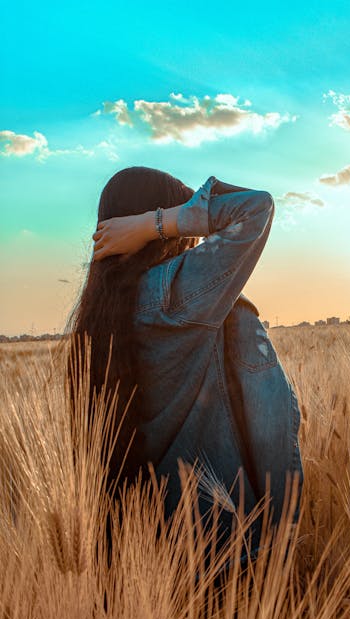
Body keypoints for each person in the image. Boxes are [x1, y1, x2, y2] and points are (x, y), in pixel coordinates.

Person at [68, 167, 303, 568]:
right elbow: (256, 208)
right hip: (230, 545)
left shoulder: (94, 322)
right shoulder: (177, 294)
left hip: (146, 555)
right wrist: (155, 223)